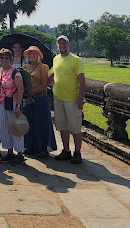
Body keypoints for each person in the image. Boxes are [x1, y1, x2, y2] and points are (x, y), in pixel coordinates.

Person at [48, 35, 85, 164]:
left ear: (68, 45)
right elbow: (55, 75)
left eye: (64, 43)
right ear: (57, 46)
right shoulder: (56, 59)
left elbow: (82, 80)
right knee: (62, 126)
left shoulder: (76, 60)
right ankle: (66, 150)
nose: (62, 46)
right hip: (58, 97)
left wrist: (80, 98)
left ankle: (78, 152)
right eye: (60, 44)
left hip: (72, 98)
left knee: (75, 127)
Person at [0, 48, 25, 164]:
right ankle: (9, 152)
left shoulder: (15, 73)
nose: (4, 60)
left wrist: (18, 106)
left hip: (13, 103)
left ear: (10, 59)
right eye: (2, 57)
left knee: (15, 127)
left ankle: (19, 153)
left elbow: (21, 90)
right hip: (0, 103)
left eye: (6, 58)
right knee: (4, 128)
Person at [23, 46, 57, 158]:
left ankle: (43, 148)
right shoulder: (25, 67)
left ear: (38, 56)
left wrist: (31, 92)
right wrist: (26, 95)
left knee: (41, 123)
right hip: (28, 99)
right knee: (29, 122)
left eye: (34, 54)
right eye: (30, 54)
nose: (32, 56)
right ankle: (30, 146)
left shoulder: (43, 67)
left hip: (40, 98)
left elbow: (44, 85)